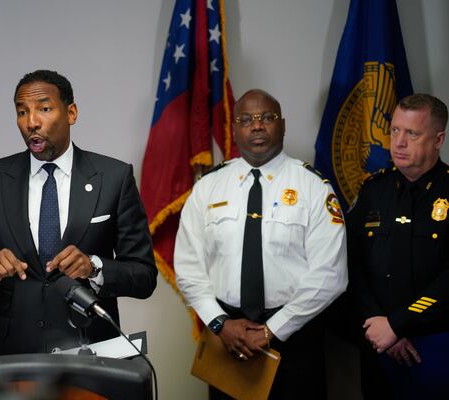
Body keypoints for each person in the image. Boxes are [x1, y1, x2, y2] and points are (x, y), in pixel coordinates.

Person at [0, 70, 157, 356]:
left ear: (71, 113)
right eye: (22, 112)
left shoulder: (114, 177)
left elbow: (144, 276)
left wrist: (94, 266)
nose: (31, 122)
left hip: (92, 351)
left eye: (44, 109)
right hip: (13, 356)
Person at [174, 89, 348, 399]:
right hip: (227, 336)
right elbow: (188, 267)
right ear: (235, 129)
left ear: (282, 125)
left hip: (295, 337)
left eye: (267, 118)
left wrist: (273, 329)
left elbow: (331, 275)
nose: (257, 126)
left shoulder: (313, 187)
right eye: (246, 119)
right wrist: (219, 323)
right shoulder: (208, 187)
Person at [348, 93, 449, 399]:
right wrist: (380, 327)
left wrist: (398, 323)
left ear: (438, 140)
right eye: (394, 130)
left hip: (435, 343)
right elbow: (351, 264)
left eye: (412, 133)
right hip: (378, 341)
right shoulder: (373, 190)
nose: (398, 142)